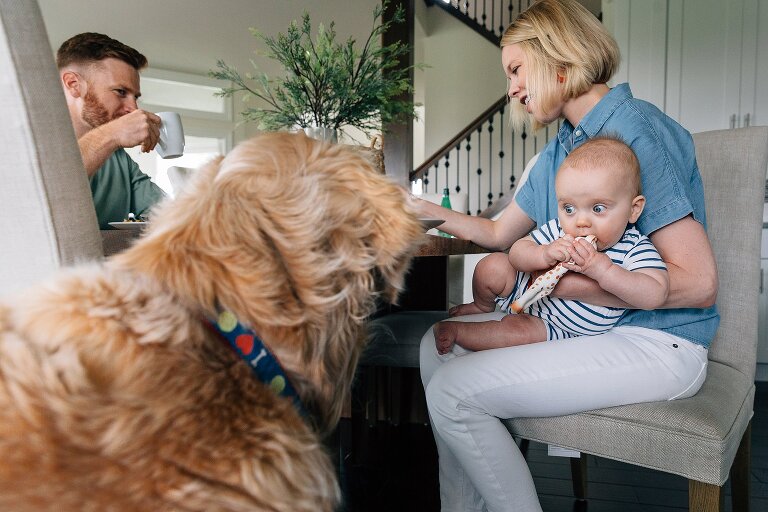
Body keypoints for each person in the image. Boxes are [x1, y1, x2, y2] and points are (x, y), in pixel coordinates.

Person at [415, 1, 718, 510]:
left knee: (452, 391)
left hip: (660, 342)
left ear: (558, 56)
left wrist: (545, 286)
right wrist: (420, 208)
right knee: (438, 347)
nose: (511, 89)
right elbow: (497, 232)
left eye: (515, 70)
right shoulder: (563, 148)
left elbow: (700, 282)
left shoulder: (635, 129)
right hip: (595, 328)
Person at [434, 137, 668, 355]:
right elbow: (516, 253)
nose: (581, 222)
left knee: (517, 334)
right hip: (521, 288)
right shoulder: (559, 231)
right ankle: (482, 305)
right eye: (569, 208)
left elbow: (655, 294)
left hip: (555, 326)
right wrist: (542, 253)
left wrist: (604, 270)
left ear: (633, 209)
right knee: (492, 266)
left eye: (598, 208)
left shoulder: (633, 247)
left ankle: (458, 332)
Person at [56, 32, 165, 229]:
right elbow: (43, 192)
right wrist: (112, 133)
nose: (134, 108)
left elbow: (167, 214)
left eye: (135, 96)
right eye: (121, 92)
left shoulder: (118, 158)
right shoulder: (24, 143)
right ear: (73, 84)